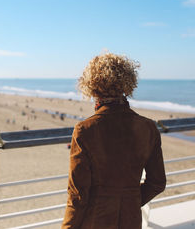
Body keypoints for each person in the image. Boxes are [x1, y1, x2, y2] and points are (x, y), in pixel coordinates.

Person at [62, 53, 166, 229]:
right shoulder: (148, 128)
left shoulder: (85, 130)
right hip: (131, 219)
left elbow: (78, 195)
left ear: (92, 87)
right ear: (127, 84)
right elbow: (157, 183)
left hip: (95, 220)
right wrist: (129, 200)